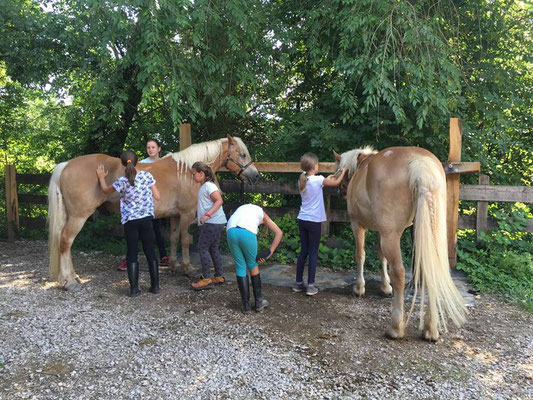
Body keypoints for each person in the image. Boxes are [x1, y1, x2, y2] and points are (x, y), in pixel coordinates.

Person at [96, 150, 161, 297]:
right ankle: (155, 286)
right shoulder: (147, 176)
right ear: (137, 161)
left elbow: (106, 190)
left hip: (130, 220)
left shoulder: (122, 181)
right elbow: (157, 196)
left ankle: (133, 290)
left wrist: (101, 177)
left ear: (123, 163)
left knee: (132, 252)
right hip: (146, 219)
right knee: (150, 251)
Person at [293, 153, 346, 296]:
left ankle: (298, 283)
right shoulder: (318, 180)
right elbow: (335, 183)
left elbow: (322, 183)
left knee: (304, 251)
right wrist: (344, 172)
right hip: (314, 221)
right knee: (314, 252)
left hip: (302, 219)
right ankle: (311, 285)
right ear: (315, 166)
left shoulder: (302, 180)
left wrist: (326, 179)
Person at [116, 138, 169, 271]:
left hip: (155, 202)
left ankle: (163, 255)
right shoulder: (142, 164)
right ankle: (129, 258)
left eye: (153, 147)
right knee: (143, 232)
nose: (150, 149)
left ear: (159, 149)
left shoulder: (166, 163)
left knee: (156, 229)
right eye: (148, 148)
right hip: (146, 203)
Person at [226, 204, 283, 314]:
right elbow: (279, 232)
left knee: (240, 266)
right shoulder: (262, 214)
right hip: (247, 232)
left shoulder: (243, 208)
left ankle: (246, 306)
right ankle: (258, 303)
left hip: (230, 230)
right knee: (253, 264)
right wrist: (270, 252)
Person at [190, 161, 227, 290]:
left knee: (202, 248)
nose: (193, 176)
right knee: (213, 248)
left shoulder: (208, 186)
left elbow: (219, 201)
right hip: (216, 222)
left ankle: (206, 279)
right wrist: (198, 218)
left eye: (194, 174)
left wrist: (207, 215)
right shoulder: (205, 186)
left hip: (212, 222)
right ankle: (218, 276)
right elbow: (205, 205)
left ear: (201, 173)